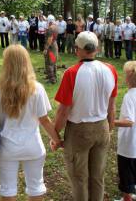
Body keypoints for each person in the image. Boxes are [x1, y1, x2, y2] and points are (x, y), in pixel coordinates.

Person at [0, 45, 60, 201]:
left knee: (8, 188)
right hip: (33, 145)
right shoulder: (37, 89)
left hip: (6, 146)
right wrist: (57, 140)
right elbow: (44, 120)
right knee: (36, 187)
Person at [53, 31, 117, 201]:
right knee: (97, 177)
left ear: (78, 50)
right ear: (96, 48)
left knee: (79, 178)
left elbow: (63, 111)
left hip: (79, 131)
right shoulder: (110, 69)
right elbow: (112, 106)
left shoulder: (72, 73)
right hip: (102, 126)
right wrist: (108, 129)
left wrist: (55, 135)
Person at [115, 61, 136, 201]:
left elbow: (129, 122)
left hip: (128, 147)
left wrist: (110, 121)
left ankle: (127, 198)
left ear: (129, 77)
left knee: (127, 178)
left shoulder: (130, 96)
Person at [44, 15, 58, 84]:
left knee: (50, 63)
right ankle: (54, 76)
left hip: (51, 47)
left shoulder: (50, 28)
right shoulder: (55, 27)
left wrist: (46, 48)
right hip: (54, 45)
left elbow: (50, 39)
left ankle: (52, 79)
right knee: (53, 62)